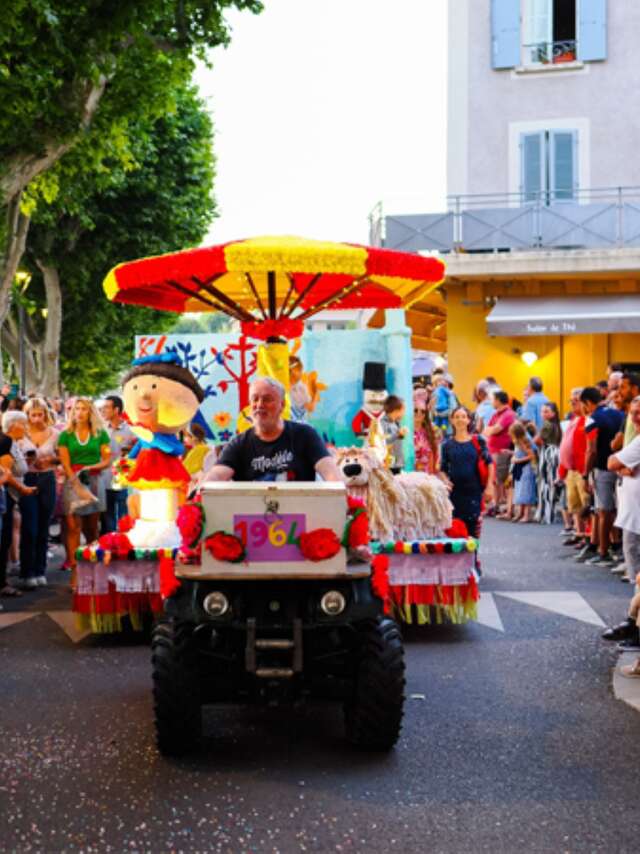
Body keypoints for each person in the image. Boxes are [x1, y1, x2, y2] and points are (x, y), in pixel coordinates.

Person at [201, 377, 341, 483]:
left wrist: (340, 494)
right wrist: (201, 491)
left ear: (282, 405)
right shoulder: (238, 444)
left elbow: (330, 472)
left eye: (267, 399)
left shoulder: (306, 435)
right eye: (255, 399)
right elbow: (217, 475)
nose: (259, 405)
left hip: (301, 512)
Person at [57, 398, 111, 579]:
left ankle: (92, 571)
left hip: (94, 481)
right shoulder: (65, 435)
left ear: (90, 412)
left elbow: (107, 460)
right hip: (73, 481)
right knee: (73, 527)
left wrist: (91, 467)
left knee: (92, 529)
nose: (79, 412)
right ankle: (75, 572)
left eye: (84, 409)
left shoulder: (100, 434)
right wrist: (75, 480)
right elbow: (65, 462)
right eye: (77, 409)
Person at [580, 386, 624, 566]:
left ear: (587, 403)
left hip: (603, 468)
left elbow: (591, 450)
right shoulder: (619, 414)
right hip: (621, 466)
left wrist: (585, 474)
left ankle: (603, 551)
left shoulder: (592, 419)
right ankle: (617, 546)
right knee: (619, 509)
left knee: (604, 511)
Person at [18, 398, 59, 587]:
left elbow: (63, 457)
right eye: (32, 415)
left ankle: (40, 570)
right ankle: (27, 572)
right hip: (27, 479)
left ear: (45, 414)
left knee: (43, 527)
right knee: (29, 527)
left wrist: (50, 461)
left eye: (39, 414)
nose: (36, 418)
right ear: (26, 415)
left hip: (47, 479)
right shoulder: (21, 433)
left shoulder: (55, 433)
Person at [440, 406, 492, 543]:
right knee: (456, 530)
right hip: (455, 493)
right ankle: (461, 557)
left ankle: (473, 556)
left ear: (468, 420)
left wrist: (489, 486)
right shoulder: (446, 444)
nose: (460, 420)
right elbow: (442, 468)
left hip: (474, 492)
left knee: (473, 530)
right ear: (452, 420)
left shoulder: (478, 440)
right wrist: (445, 480)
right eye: (457, 417)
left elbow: (490, 463)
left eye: (463, 416)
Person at [0, 411, 38, 594]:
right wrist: (23, 488)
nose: (26, 427)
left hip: (10, 496)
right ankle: (2, 583)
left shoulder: (13, 442)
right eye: (23, 424)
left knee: (7, 537)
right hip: (6, 496)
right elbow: (4, 474)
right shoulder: (5, 441)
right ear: (13, 425)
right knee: (4, 538)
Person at [607, 396, 640, 583]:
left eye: (639, 413)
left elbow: (611, 462)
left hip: (636, 515)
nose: (634, 418)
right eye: (632, 413)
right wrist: (624, 468)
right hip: (633, 511)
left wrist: (621, 467)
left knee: (633, 555)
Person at [100, 394, 136, 533]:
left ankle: (123, 540)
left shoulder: (131, 430)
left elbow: (140, 449)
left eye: (106, 407)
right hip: (103, 477)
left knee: (123, 515)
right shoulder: (101, 429)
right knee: (106, 515)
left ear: (116, 410)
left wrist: (131, 449)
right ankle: (109, 540)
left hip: (122, 477)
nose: (103, 411)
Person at [558, 388, 588, 546]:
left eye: (576, 401)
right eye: (571, 401)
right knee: (574, 504)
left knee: (585, 503)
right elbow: (565, 445)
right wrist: (562, 470)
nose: (573, 403)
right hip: (571, 469)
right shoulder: (573, 420)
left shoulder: (587, 420)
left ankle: (587, 536)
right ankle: (579, 532)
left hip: (582, 469)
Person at [484, 390, 516, 515]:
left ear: (498, 400)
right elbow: (486, 430)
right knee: (495, 479)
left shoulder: (508, 414)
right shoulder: (496, 414)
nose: (492, 402)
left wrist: (491, 429)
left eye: (493, 400)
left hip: (501, 451)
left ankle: (500, 505)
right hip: (492, 450)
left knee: (500, 480)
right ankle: (496, 505)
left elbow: (495, 430)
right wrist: (491, 429)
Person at [534, 402, 562, 524]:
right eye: (542, 411)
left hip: (548, 454)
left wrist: (543, 446)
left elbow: (537, 440)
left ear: (553, 413)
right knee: (551, 483)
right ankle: (549, 513)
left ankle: (545, 514)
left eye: (546, 411)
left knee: (545, 483)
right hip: (555, 453)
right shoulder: (557, 424)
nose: (543, 414)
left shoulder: (547, 424)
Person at [508, 421, 538, 523]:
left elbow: (531, 456)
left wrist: (517, 460)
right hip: (520, 468)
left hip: (526, 468)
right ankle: (520, 513)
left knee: (526, 490)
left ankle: (526, 515)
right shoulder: (518, 441)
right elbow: (519, 452)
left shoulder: (525, 441)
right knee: (520, 490)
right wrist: (513, 456)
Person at [413, 388, 439, 474]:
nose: (419, 413)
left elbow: (435, 455)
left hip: (428, 475)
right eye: (415, 410)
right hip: (410, 475)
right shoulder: (405, 431)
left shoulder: (431, 431)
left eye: (423, 411)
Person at [380, 395, 408, 474]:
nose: (404, 413)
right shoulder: (383, 423)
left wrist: (401, 435)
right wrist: (397, 434)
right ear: (396, 410)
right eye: (403, 410)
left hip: (397, 462)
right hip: (389, 463)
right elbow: (384, 440)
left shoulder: (396, 423)